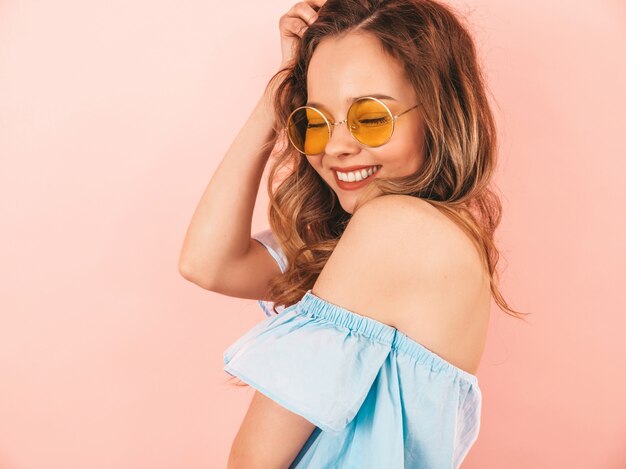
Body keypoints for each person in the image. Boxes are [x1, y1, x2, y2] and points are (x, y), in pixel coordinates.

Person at [179, 0, 528, 467]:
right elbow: (207, 263)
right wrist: (279, 94)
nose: (338, 147)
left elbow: (253, 460)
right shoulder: (410, 235)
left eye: (370, 117)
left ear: (438, 112)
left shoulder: (398, 230)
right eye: (314, 121)